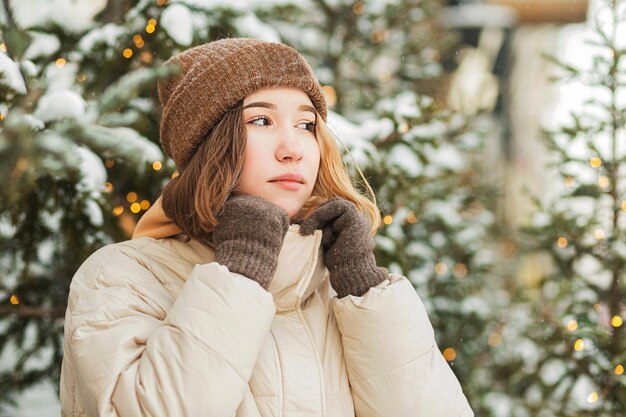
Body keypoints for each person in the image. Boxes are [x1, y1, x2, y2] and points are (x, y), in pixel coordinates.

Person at [60, 38, 473, 417]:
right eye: (261, 121)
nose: (292, 149)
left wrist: (364, 291)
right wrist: (240, 272)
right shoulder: (122, 277)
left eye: (306, 125)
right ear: (211, 146)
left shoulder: (336, 288)